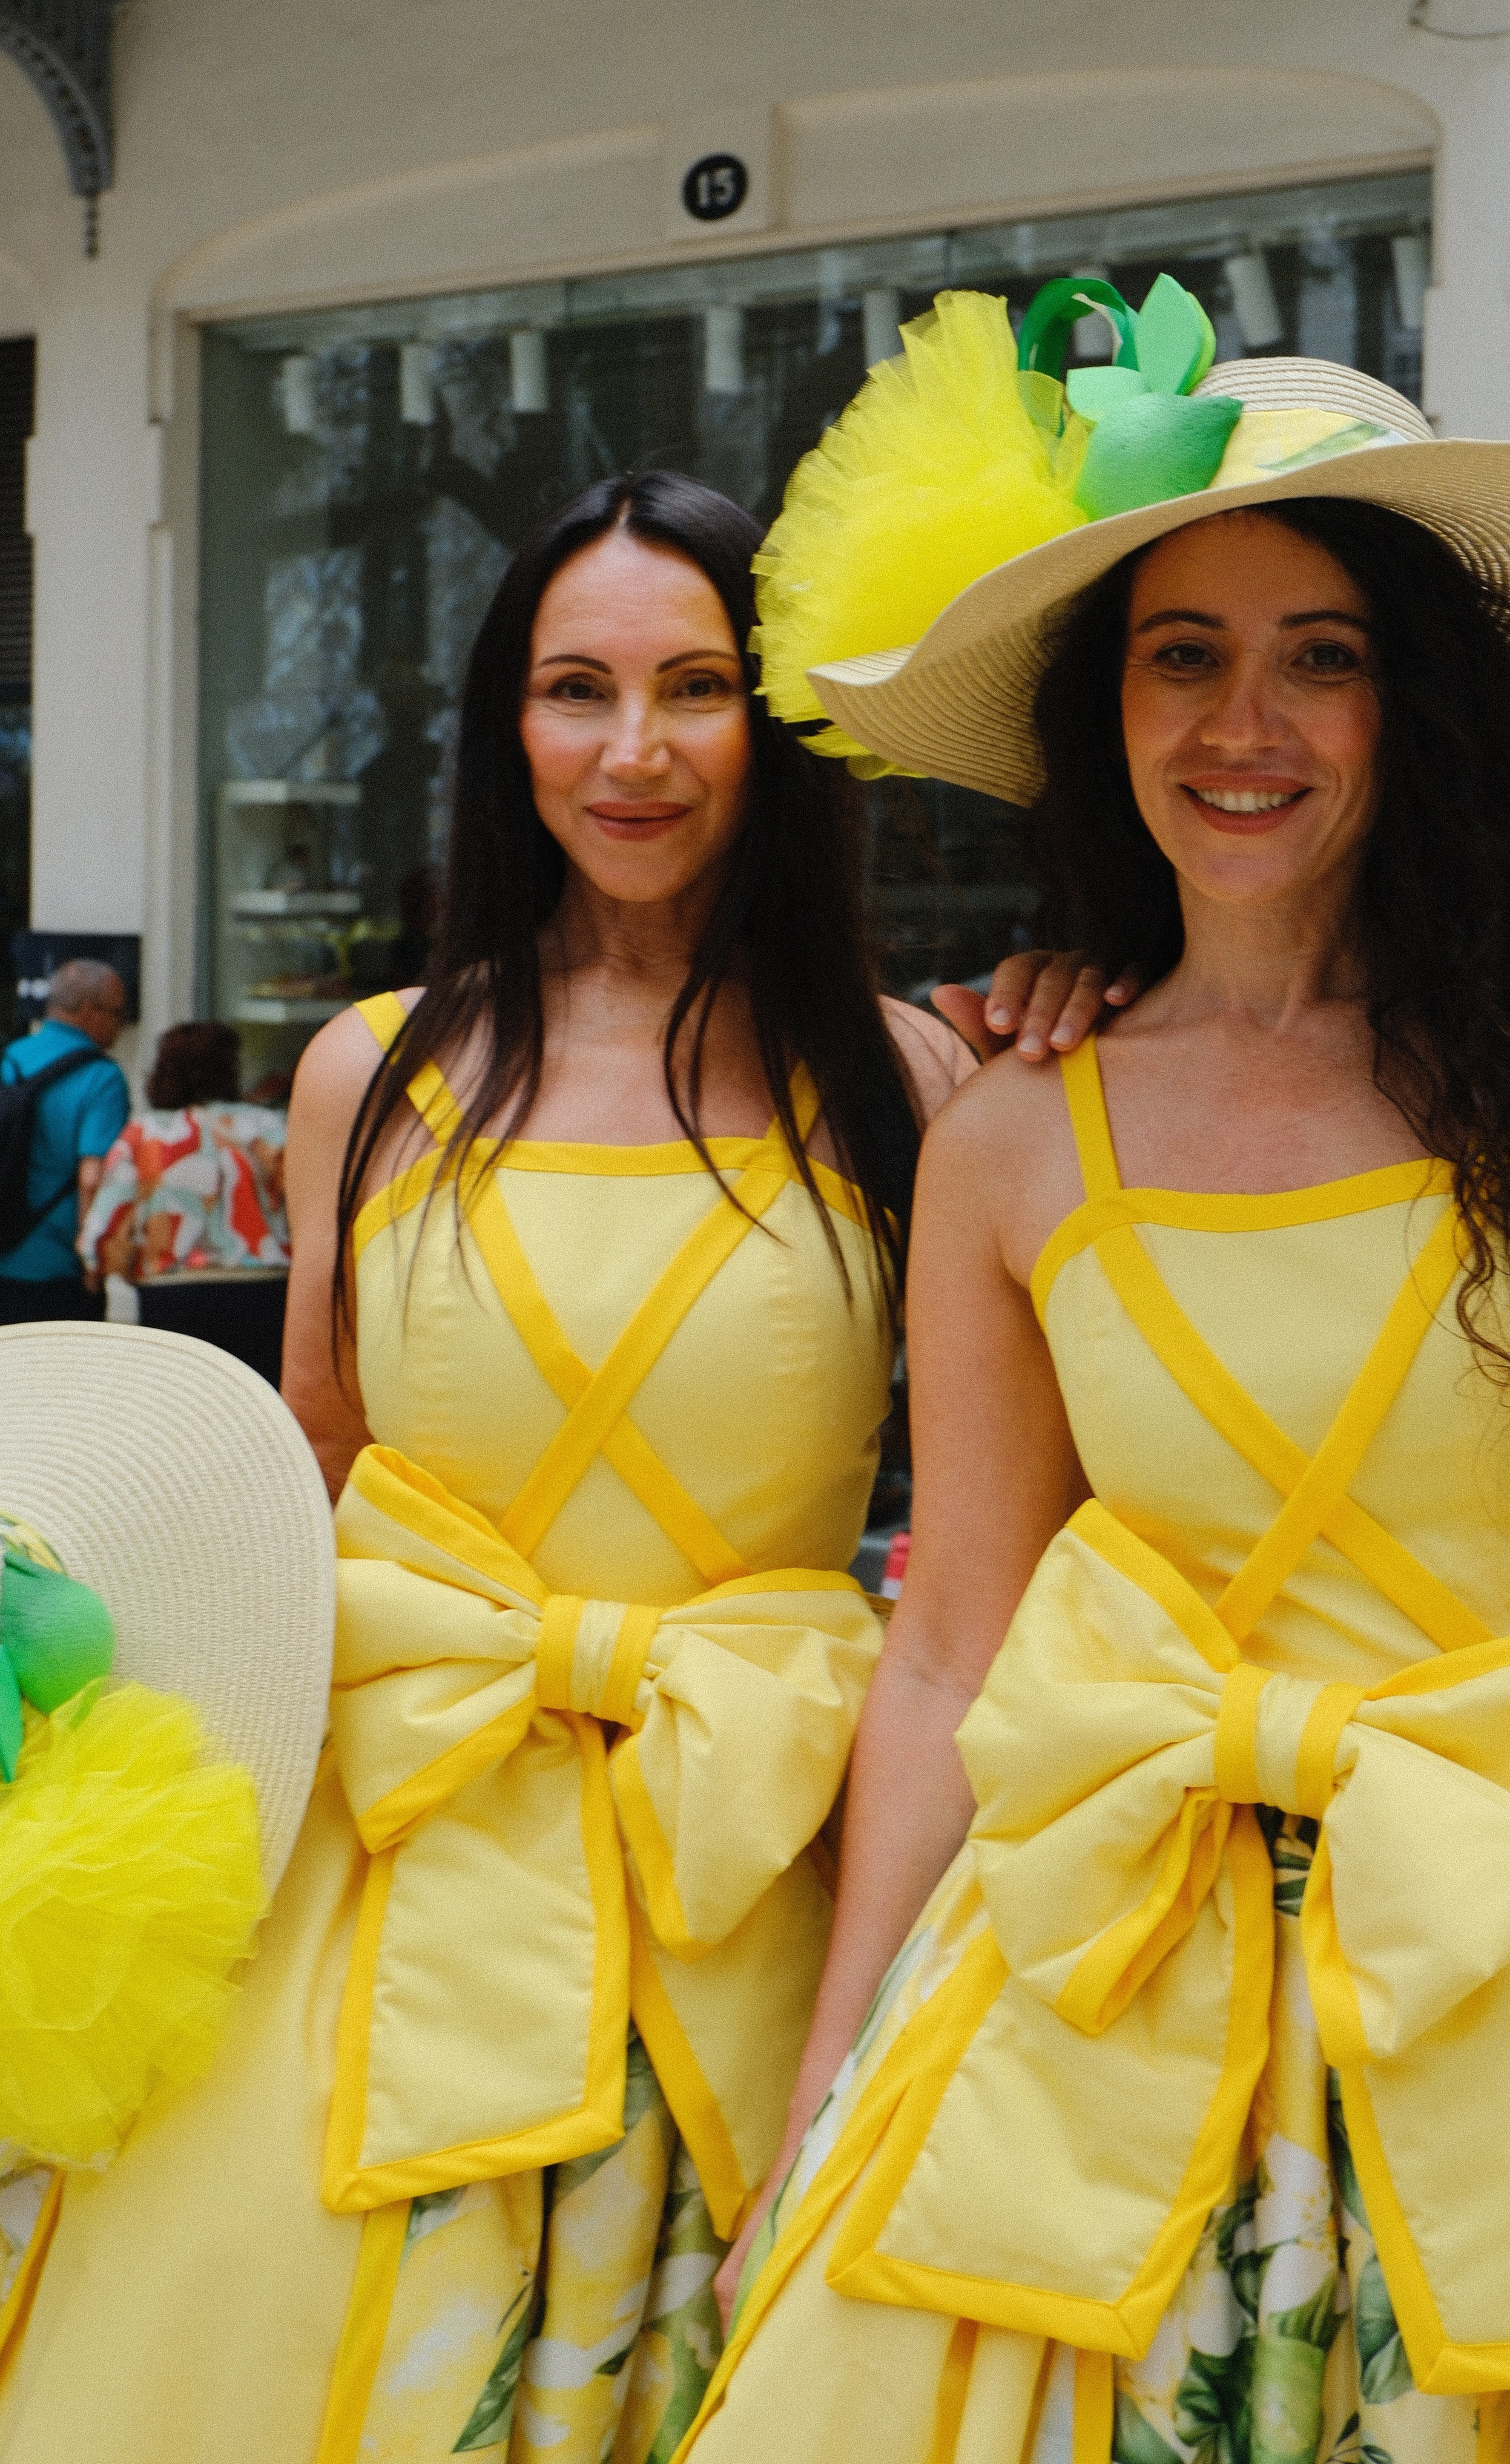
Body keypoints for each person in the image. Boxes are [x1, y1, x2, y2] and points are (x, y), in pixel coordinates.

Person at [0, 467, 1089, 2464]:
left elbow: (1018, 1542)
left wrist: (1105, 999)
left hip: (762, 1877)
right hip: (377, 1858)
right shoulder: (373, 1071)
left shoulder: (926, 1081)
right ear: (510, 725)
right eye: (577, 689)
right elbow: (295, 1482)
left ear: (776, 725)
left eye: (694, 688)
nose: (636, 750)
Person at [681, 281, 1510, 2464]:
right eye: (1184, 652)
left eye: (1315, 654)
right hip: (1085, 1993)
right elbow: (948, 1635)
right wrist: (827, 2073)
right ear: (1103, 712)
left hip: (1495, 1975)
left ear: (1410, 707)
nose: (1240, 722)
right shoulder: (1003, 1134)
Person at [78, 1018, 290, 1385]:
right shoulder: (268, 1126)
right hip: (265, 1291)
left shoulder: (144, 1134)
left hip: (174, 1294)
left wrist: (116, 1269)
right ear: (229, 1068)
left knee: (183, 1419)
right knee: (258, 1415)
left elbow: (108, 1224)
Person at [0, 959, 128, 1322]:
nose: (120, 1024)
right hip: (57, 1269)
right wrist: (93, 1264)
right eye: (117, 1013)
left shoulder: (10, 1060)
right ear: (89, 1012)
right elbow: (92, 1177)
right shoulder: (102, 1077)